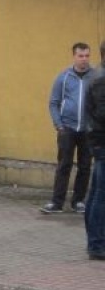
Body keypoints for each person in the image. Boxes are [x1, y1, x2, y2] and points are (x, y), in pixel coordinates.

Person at [41, 42, 92, 214]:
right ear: (74, 56)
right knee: (64, 165)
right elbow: (53, 103)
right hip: (67, 129)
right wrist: (59, 124)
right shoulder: (63, 77)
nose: (84, 59)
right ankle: (57, 203)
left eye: (87, 56)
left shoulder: (96, 77)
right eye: (80, 56)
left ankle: (78, 201)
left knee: (85, 166)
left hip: (88, 130)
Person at [85, 41, 105, 260]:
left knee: (96, 192)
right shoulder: (102, 79)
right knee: (101, 195)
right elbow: (102, 114)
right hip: (102, 140)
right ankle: (97, 245)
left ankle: (95, 241)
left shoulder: (98, 75)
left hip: (98, 139)